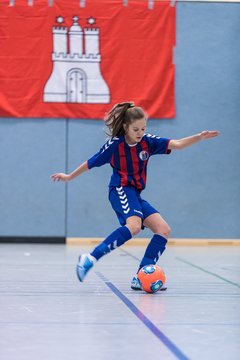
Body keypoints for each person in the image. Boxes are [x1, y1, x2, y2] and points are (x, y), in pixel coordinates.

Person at [51, 102, 219, 290]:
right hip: (120, 189)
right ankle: (90, 258)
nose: (140, 132)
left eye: (143, 128)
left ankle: (141, 276)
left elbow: (178, 144)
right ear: (126, 127)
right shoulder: (115, 146)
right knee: (134, 226)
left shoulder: (148, 142)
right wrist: (69, 176)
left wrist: (199, 137)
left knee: (163, 230)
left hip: (135, 194)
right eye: (136, 129)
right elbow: (90, 163)